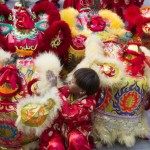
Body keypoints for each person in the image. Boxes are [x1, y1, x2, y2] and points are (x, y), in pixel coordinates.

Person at [39, 68, 100, 150]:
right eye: (72, 78)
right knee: (54, 145)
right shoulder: (68, 91)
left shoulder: (89, 104)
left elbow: (68, 114)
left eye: (73, 82)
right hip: (59, 129)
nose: (69, 81)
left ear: (82, 91)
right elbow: (54, 96)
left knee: (76, 139)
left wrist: (54, 88)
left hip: (76, 130)